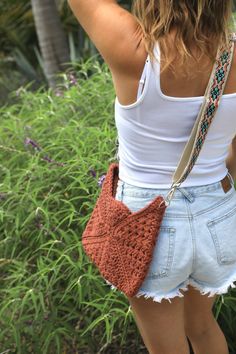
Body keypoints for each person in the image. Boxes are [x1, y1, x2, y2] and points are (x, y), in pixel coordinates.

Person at [67, 1, 236, 353]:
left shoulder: (132, 47)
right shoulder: (232, 56)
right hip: (218, 215)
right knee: (203, 328)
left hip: (148, 222)